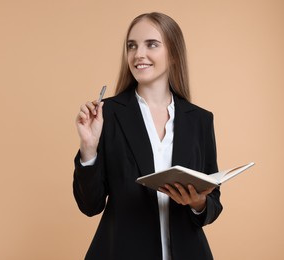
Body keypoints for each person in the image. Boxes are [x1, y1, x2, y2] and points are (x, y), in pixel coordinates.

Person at [73, 12, 223, 260]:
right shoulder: (106, 115)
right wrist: (89, 148)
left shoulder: (200, 120)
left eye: (151, 44)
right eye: (132, 46)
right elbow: (90, 206)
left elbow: (213, 203)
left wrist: (198, 203)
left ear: (173, 54)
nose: (138, 54)